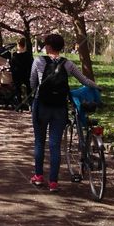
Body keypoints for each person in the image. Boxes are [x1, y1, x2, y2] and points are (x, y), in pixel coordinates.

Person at [30, 33, 99, 192]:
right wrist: (97, 87)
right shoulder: (68, 64)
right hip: (60, 108)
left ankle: (38, 176)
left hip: (41, 105)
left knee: (39, 141)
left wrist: (37, 93)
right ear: (61, 47)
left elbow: (32, 82)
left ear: (48, 46)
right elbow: (84, 80)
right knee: (55, 144)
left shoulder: (39, 61)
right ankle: (53, 182)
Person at [9, 38, 34, 109]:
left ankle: (19, 105)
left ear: (18, 45)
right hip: (26, 74)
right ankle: (30, 104)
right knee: (29, 89)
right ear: (25, 45)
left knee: (18, 90)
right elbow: (31, 65)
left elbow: (12, 65)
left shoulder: (14, 55)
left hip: (17, 74)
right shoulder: (28, 55)